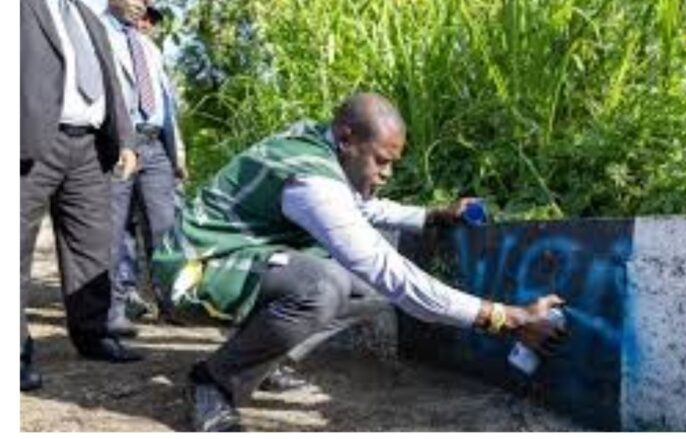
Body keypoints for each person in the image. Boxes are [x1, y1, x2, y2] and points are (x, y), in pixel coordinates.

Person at [152, 93, 566, 432]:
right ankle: (214, 382)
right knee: (323, 286)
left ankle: (262, 361)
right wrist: (502, 317)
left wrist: (431, 215)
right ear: (347, 139)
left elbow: (356, 208)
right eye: (381, 161)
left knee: (365, 290)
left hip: (238, 258)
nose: (387, 173)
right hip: (191, 272)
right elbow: (388, 271)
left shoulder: (325, 148)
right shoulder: (309, 177)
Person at [21, 0, 144, 392]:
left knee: (91, 245)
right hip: (28, 141)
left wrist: (126, 140)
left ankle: (93, 334)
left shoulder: (89, 18)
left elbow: (111, 83)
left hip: (89, 146)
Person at [100, 0, 184, 336]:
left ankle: (171, 302)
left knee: (165, 226)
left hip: (156, 144)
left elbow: (166, 102)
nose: (142, 5)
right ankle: (112, 309)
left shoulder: (148, 46)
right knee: (113, 228)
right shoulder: (97, 33)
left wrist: (176, 153)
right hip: (117, 141)